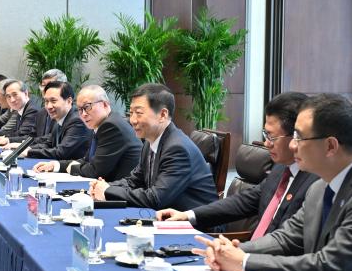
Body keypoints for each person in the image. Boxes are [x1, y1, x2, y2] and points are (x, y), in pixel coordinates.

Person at [195, 94, 352, 271]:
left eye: (299, 137)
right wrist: (231, 251)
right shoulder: (318, 189)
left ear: (330, 146)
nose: (293, 145)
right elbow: (285, 238)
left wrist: (244, 262)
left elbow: (327, 265)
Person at [157, 92, 316, 236]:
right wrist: (188, 215)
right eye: (265, 134)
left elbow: (288, 242)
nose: (266, 143)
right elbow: (244, 201)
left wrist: (242, 253)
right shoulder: (281, 168)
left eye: (272, 137)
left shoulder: (314, 183)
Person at [89, 83, 217, 210]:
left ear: (162, 115)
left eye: (139, 113)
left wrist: (108, 191)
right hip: (166, 216)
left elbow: (156, 199)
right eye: (131, 112)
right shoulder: (150, 142)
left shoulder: (177, 149)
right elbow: (134, 181)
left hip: (194, 221)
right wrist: (104, 186)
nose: (132, 120)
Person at [33, 84, 140, 181]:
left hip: (123, 192)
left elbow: (95, 171)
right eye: (80, 109)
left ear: (105, 104)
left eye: (87, 107)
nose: (83, 114)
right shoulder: (102, 123)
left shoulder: (111, 126)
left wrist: (71, 167)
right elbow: (87, 160)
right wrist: (56, 165)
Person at [21, 81, 92, 160]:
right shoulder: (59, 117)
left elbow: (61, 152)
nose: (49, 106)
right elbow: (49, 143)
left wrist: (29, 152)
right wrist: (23, 149)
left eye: (53, 101)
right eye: (46, 101)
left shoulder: (77, 121)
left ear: (69, 101)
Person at [33, 69, 68, 138]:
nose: (45, 89)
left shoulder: (67, 112)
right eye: (43, 85)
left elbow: (52, 140)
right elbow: (32, 136)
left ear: (62, 86)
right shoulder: (41, 112)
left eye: (50, 85)